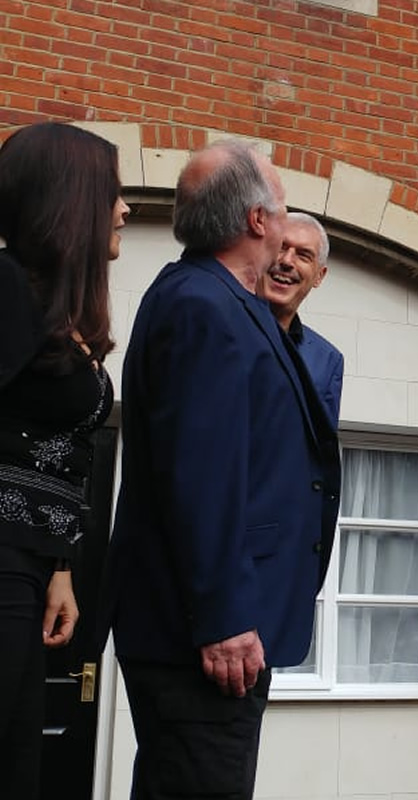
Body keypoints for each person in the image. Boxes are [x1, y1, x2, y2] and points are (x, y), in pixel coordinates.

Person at [100, 140, 340, 799]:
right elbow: (200, 478)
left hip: (217, 631)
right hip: (202, 638)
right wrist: (224, 617)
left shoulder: (223, 303)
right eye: (282, 207)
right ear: (257, 221)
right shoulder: (202, 307)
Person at [0, 121, 128, 800]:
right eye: (112, 192)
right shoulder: (5, 287)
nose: (125, 208)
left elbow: (51, 456)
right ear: (69, 200)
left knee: (20, 760)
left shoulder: (57, 312)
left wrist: (59, 569)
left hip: (26, 566)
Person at [257, 211, 344, 428]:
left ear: (319, 276)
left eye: (303, 255)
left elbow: (320, 452)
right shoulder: (215, 323)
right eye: (280, 247)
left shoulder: (327, 360)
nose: (287, 261)